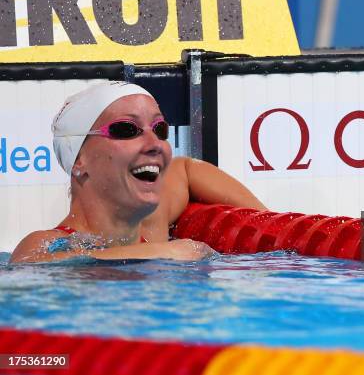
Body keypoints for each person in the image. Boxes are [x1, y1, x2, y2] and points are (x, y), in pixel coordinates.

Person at [10, 81, 266, 264]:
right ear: (79, 159)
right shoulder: (47, 244)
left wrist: (268, 227)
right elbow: (30, 263)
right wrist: (162, 252)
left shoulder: (152, 224)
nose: (155, 143)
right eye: (126, 129)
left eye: (159, 128)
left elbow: (186, 170)